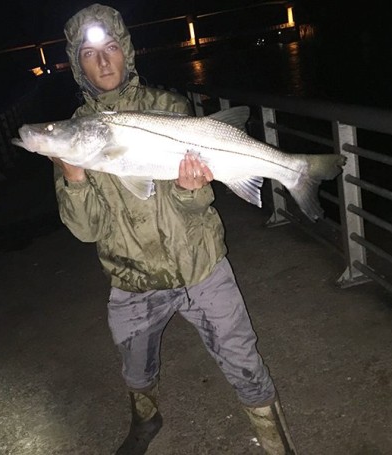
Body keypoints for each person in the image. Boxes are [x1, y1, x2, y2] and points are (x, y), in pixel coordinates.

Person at [55, 3, 297, 454]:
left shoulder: (168, 106)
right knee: (135, 371)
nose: (104, 61)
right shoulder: (75, 133)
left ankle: (275, 443)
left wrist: (190, 190)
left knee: (245, 362)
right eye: (91, 54)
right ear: (78, 64)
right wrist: (72, 176)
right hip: (131, 278)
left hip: (199, 263)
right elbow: (85, 230)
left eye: (111, 48)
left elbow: (201, 198)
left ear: (126, 52)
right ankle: (146, 421)